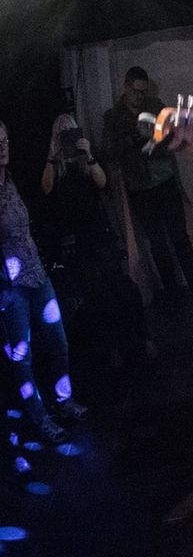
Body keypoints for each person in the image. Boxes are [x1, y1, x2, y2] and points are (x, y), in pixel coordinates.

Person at [40, 113, 154, 372]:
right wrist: (52, 155)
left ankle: (140, 338)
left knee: (123, 287)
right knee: (97, 295)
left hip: (98, 233)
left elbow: (102, 182)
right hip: (76, 239)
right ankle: (112, 348)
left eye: (71, 132)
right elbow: (46, 188)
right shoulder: (55, 165)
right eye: (62, 134)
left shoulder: (85, 160)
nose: (68, 139)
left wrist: (88, 155)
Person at [0, 120, 88, 445]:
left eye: (5, 140)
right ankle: (40, 419)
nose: (3, 147)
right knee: (22, 356)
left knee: (58, 341)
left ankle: (64, 401)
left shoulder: (12, 181)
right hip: (11, 287)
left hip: (37, 274)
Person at [100, 66, 193, 300]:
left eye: (143, 92)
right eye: (136, 91)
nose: (140, 96)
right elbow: (108, 151)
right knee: (157, 244)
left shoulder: (154, 105)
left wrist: (157, 133)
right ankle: (173, 296)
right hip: (139, 187)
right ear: (127, 88)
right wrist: (131, 139)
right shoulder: (114, 117)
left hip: (163, 179)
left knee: (180, 238)